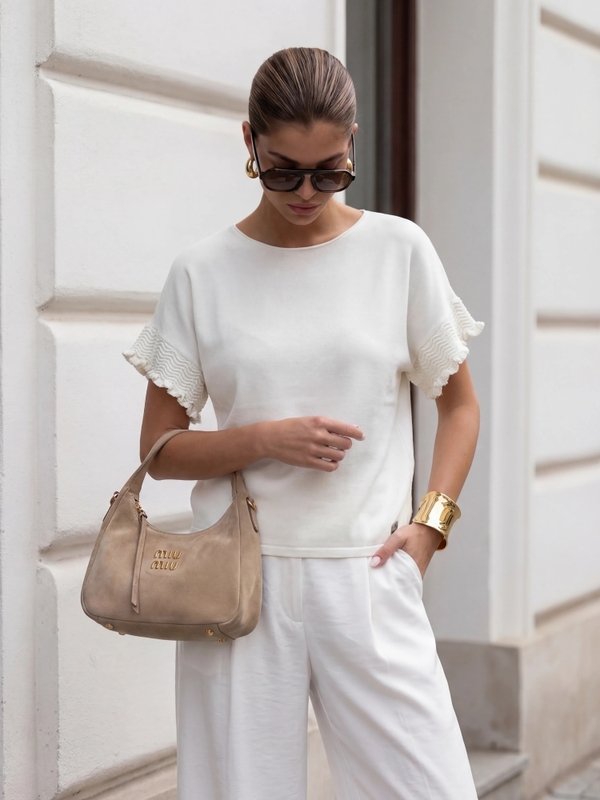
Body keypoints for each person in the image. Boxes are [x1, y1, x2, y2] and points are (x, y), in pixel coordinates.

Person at [125, 47, 483, 800]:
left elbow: (458, 406)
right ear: (249, 142)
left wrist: (430, 527)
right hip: (237, 582)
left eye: (329, 172)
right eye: (284, 171)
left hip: (370, 572)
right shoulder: (201, 272)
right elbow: (160, 450)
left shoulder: (398, 252)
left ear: (352, 143)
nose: (306, 192)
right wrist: (263, 440)